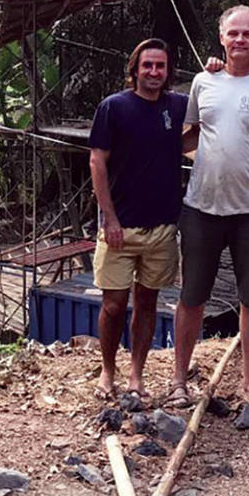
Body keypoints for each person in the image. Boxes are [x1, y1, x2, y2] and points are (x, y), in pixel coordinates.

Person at [167, 6, 249, 417]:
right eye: (233, 34)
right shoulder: (203, 82)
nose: (240, 40)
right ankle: (178, 381)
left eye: (248, 34)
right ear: (221, 37)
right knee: (191, 297)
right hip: (201, 208)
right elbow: (189, 138)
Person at [89, 38, 188, 401]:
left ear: (168, 71)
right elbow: (97, 162)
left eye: (160, 66)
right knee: (113, 304)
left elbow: (203, 123)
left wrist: (215, 71)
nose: (154, 72)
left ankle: (136, 374)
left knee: (147, 302)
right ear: (135, 69)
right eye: (147, 65)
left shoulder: (177, 105)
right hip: (120, 227)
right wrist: (109, 218)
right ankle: (107, 371)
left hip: (161, 227)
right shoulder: (114, 107)